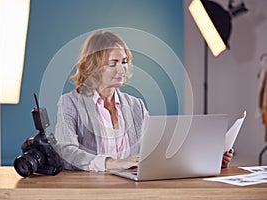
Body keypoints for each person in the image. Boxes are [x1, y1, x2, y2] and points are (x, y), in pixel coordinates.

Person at [54, 30, 234, 172]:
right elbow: (66, 153)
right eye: (113, 63)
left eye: (124, 62)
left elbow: (159, 149)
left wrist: (210, 160)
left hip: (132, 188)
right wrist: (113, 163)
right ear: (93, 66)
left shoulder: (135, 105)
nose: (122, 69)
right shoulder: (70, 103)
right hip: (91, 190)